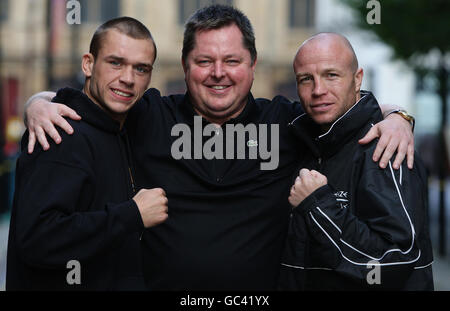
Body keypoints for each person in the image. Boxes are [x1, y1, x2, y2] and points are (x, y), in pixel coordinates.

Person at [23, 5, 415, 290]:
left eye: (232, 60)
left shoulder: (284, 122)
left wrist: (399, 116)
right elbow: (84, 101)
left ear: (253, 64)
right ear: (185, 64)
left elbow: (339, 106)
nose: (218, 73)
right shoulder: (150, 115)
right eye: (204, 60)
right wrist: (37, 104)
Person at [6, 17, 169, 290]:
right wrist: (132, 214)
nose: (128, 79)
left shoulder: (124, 126)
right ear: (88, 64)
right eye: (115, 63)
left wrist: (37, 100)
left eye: (140, 69)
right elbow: (38, 240)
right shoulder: (61, 133)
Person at [280, 33, 433, 290]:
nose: (318, 90)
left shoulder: (386, 148)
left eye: (331, 75)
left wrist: (317, 205)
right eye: (306, 79)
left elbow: (393, 262)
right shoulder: (305, 141)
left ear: (357, 78)